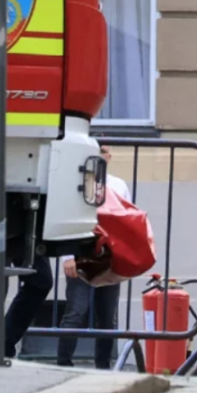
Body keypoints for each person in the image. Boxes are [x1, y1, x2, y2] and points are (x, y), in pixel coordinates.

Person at [56, 145, 130, 370]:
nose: (101, 156)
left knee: (107, 317)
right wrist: (67, 255)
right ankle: (63, 365)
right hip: (81, 253)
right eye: (97, 151)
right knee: (76, 312)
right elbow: (66, 218)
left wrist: (124, 256)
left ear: (109, 157)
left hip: (109, 256)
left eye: (104, 152)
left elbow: (127, 220)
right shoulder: (76, 182)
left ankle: (103, 367)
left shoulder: (118, 185)